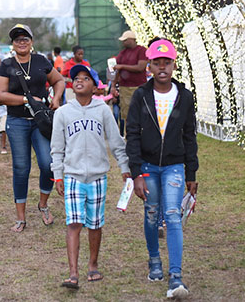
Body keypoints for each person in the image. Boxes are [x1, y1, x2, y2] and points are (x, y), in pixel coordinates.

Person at [126, 39, 199, 299]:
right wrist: (136, 173)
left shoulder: (185, 96)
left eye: (166, 62)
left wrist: (191, 173)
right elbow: (132, 134)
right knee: (151, 212)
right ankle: (154, 260)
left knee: (172, 215)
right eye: (156, 63)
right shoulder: (141, 96)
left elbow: (190, 135)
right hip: (147, 166)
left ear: (173, 64)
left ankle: (175, 276)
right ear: (150, 66)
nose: (162, 68)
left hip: (174, 167)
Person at [51, 64, 130, 290]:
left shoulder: (103, 110)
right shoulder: (63, 113)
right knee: (73, 223)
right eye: (76, 78)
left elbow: (115, 142)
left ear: (95, 87)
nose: (79, 81)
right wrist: (58, 175)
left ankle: (93, 264)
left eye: (86, 78)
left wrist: (124, 166)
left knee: (95, 224)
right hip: (73, 176)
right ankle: (73, 272)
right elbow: (57, 148)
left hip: (97, 177)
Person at [0, 24, 65, 232]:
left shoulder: (42, 61)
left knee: (47, 163)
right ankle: (20, 217)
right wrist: (26, 99)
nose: (21, 42)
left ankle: (43, 204)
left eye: (25, 38)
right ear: (13, 44)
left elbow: (59, 80)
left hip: (40, 122)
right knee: (21, 168)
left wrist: (57, 98)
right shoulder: (6, 65)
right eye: (17, 39)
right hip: (17, 122)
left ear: (32, 41)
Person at [112, 30, 147, 127]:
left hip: (140, 87)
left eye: (125, 40)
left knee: (141, 113)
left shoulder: (141, 50)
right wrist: (113, 86)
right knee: (127, 114)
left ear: (132, 40)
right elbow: (116, 71)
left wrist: (122, 66)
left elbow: (140, 67)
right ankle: (129, 138)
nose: (123, 42)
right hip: (125, 88)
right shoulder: (122, 53)